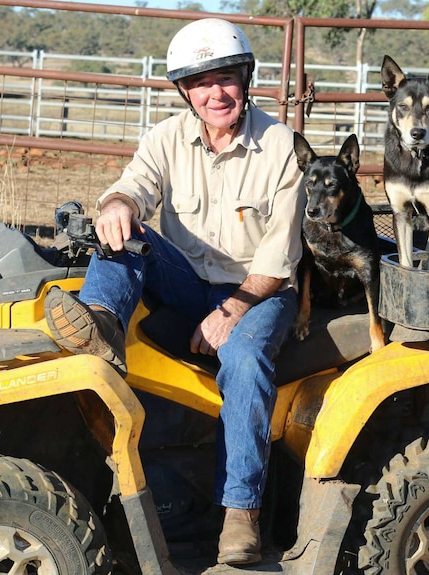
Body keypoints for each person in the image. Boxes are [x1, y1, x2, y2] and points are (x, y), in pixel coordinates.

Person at [47, 18, 304, 566]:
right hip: (189, 282)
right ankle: (99, 322)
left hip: (261, 291)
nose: (217, 94)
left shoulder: (281, 146)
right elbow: (133, 186)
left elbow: (280, 255)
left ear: (246, 78)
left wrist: (233, 310)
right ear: (185, 91)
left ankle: (241, 514)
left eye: (227, 79)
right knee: (123, 234)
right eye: (202, 83)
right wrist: (117, 205)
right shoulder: (164, 138)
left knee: (244, 357)